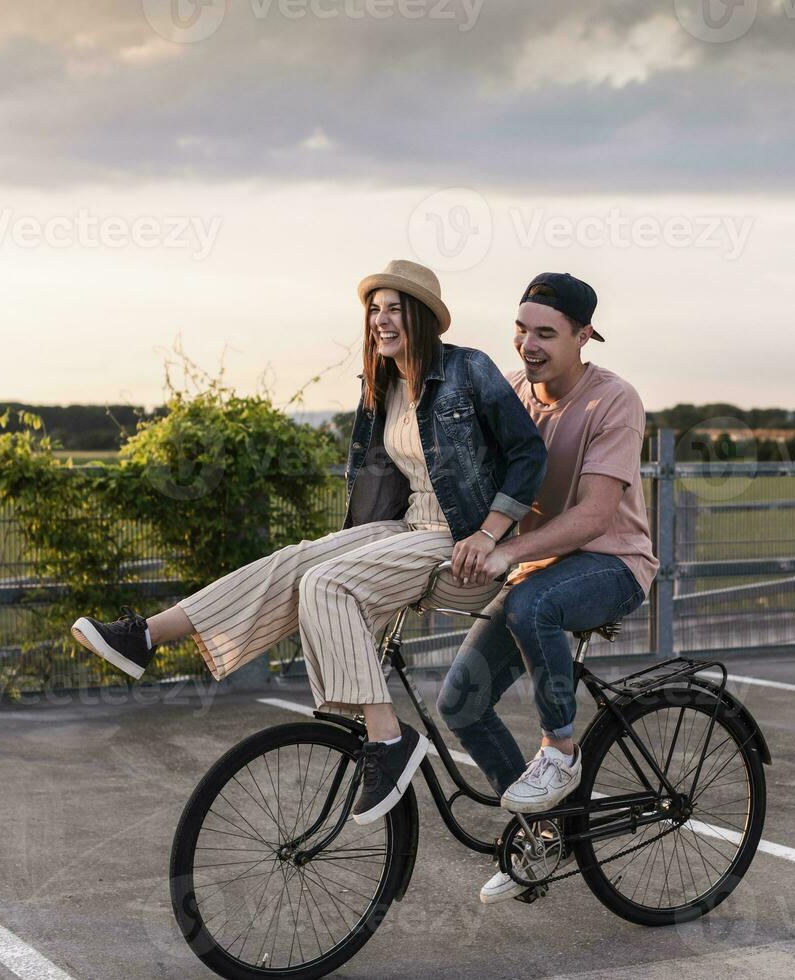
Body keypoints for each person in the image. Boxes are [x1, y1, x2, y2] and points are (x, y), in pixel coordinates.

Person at [70, 259, 547, 825]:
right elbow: (384, 483)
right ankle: (146, 636)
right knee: (295, 561)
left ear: (420, 317)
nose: (381, 320)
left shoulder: (469, 370)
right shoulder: (385, 386)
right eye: (375, 310)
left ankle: (387, 740)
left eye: (395, 309)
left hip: (463, 542)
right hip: (407, 529)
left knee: (326, 583)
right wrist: (355, 540)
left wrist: (491, 533)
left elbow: (527, 455)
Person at [435, 272, 658, 902]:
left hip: (612, 563)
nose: (528, 345)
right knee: (460, 704)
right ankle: (542, 832)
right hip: (538, 565)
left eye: (545, 333)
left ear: (584, 336)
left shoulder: (613, 400)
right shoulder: (512, 391)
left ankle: (560, 749)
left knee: (535, 603)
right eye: (521, 330)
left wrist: (504, 554)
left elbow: (592, 515)